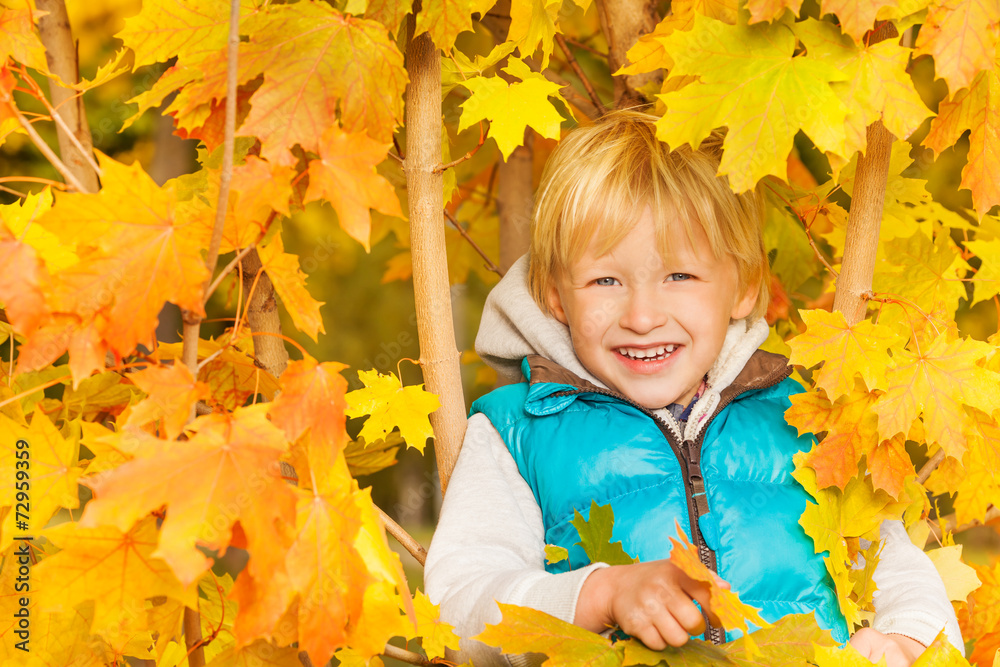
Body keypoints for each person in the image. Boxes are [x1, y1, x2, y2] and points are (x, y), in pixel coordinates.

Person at [423, 111, 962, 667]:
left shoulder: (808, 418)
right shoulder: (517, 432)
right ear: (557, 296)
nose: (642, 315)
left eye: (679, 276)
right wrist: (598, 595)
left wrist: (904, 641)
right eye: (605, 280)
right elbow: (459, 608)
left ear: (745, 288)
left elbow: (897, 571)